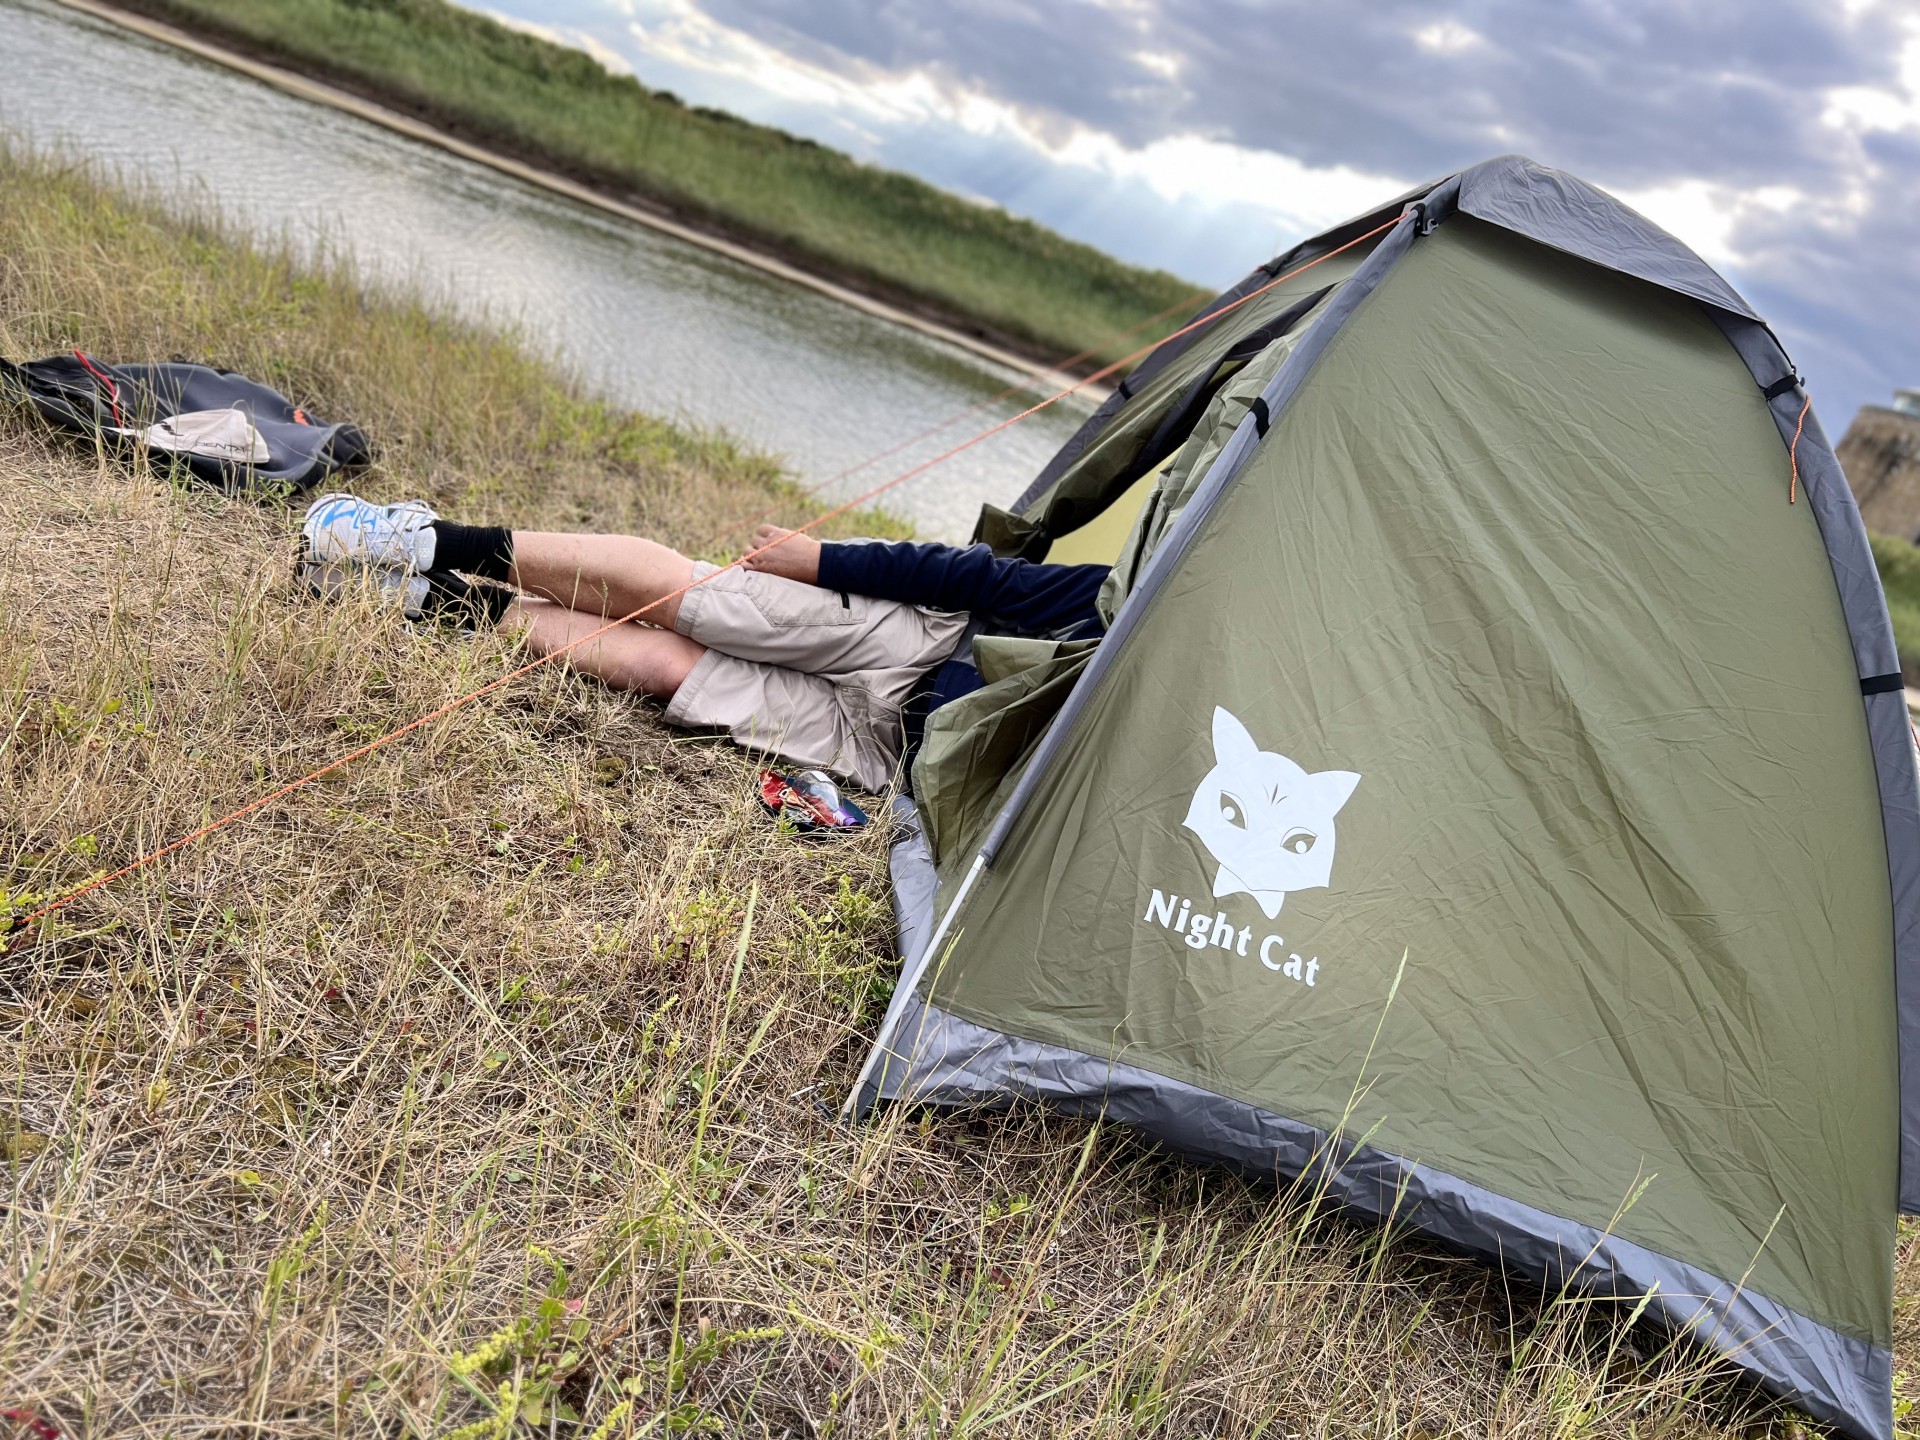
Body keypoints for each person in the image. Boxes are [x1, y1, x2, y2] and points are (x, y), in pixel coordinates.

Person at [299, 493, 1110, 792]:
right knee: (683, 601)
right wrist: (818, 559)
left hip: (899, 753)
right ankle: (433, 543)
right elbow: (987, 582)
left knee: (662, 670)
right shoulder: (1158, 600)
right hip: (915, 643)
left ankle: (427, 604)